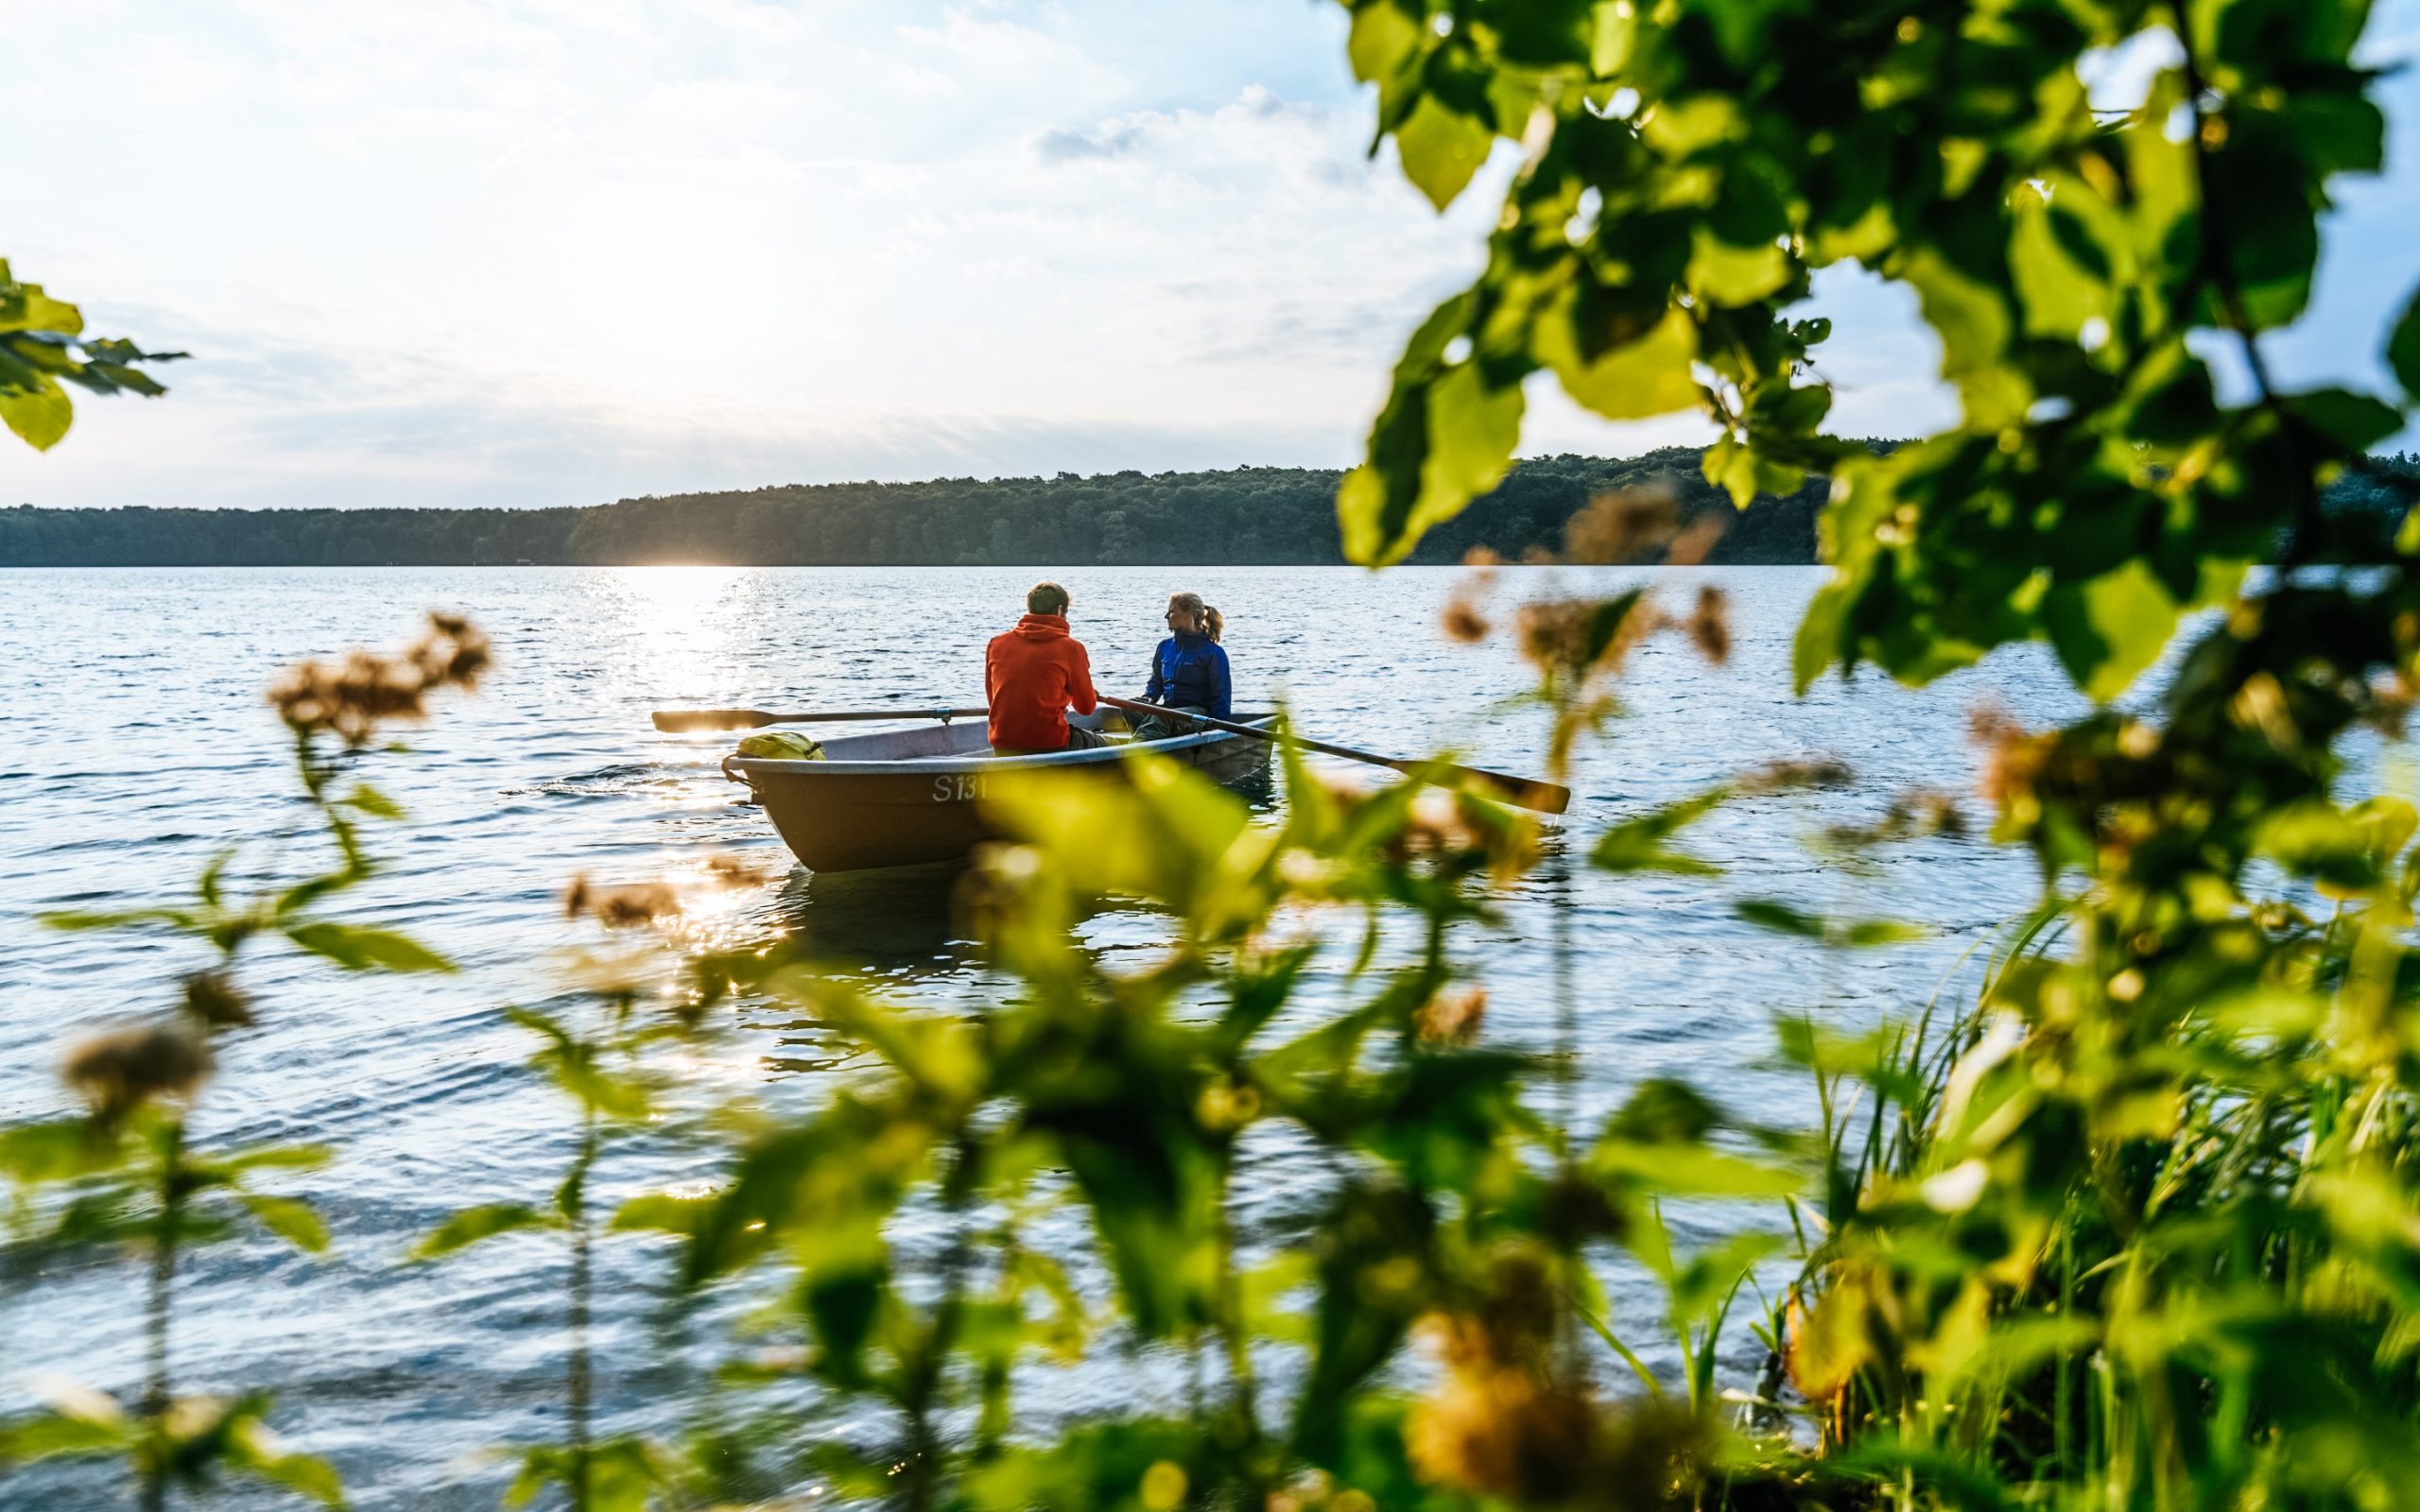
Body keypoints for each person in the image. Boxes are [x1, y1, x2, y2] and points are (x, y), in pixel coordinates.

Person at [985, 581, 1105, 756]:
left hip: (1002, 743)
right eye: (1066, 612)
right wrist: (1084, 694)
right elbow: (1086, 708)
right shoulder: (1071, 648)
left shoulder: (996, 643)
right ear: (1059, 610)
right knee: (1109, 744)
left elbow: (993, 700)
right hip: (1050, 743)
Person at [1132, 591, 1230, 741]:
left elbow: (1221, 697)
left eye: (1171, 612)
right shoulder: (1164, 647)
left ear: (1188, 615)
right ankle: (1150, 744)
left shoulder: (1213, 653)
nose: (1166, 616)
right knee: (1131, 706)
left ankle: (1132, 756)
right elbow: (1156, 682)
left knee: (1162, 718)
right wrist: (1148, 698)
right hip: (1171, 711)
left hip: (1199, 715)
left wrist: (1217, 732)